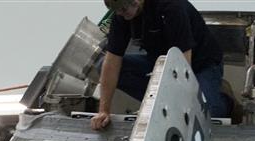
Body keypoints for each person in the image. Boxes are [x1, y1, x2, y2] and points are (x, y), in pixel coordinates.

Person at [91, 0, 229, 131]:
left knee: (206, 114)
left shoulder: (171, 7)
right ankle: (155, 102)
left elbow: (183, 62)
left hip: (200, 64)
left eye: (123, 10)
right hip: (160, 62)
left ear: (136, 1)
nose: (122, 15)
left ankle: (226, 101)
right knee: (102, 65)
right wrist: (103, 110)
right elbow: (112, 61)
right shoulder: (121, 15)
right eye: (118, 12)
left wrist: (174, 107)